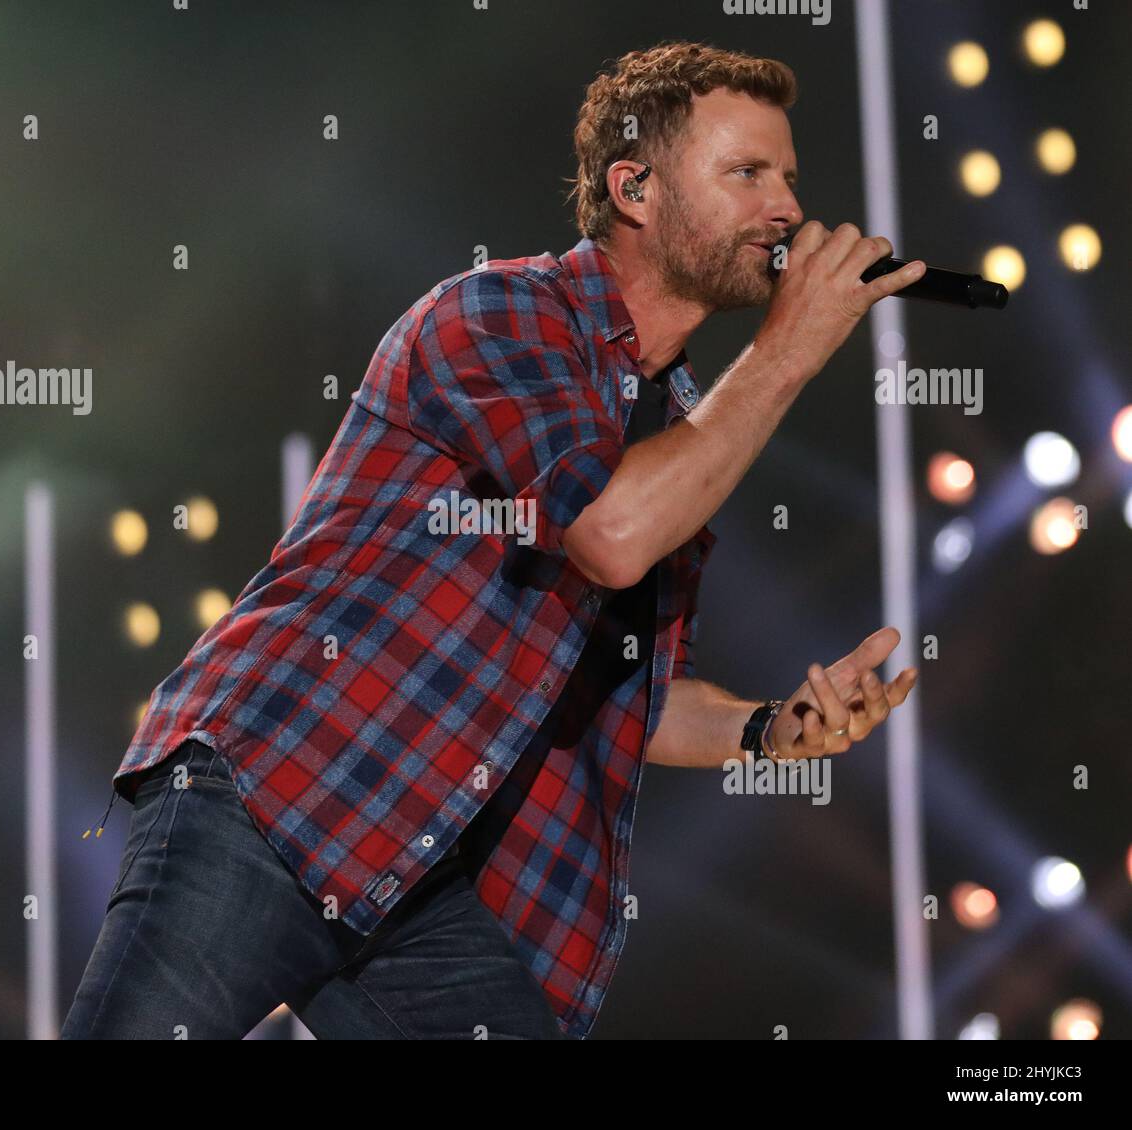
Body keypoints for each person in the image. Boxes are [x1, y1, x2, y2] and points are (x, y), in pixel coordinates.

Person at [61, 39, 923, 1041]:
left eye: (787, 177)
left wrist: (771, 729)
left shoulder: (677, 420)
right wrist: (791, 349)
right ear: (634, 189)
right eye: (746, 173)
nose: (785, 209)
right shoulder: (502, 312)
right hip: (283, 791)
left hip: (415, 882)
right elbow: (609, 531)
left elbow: (628, 700)